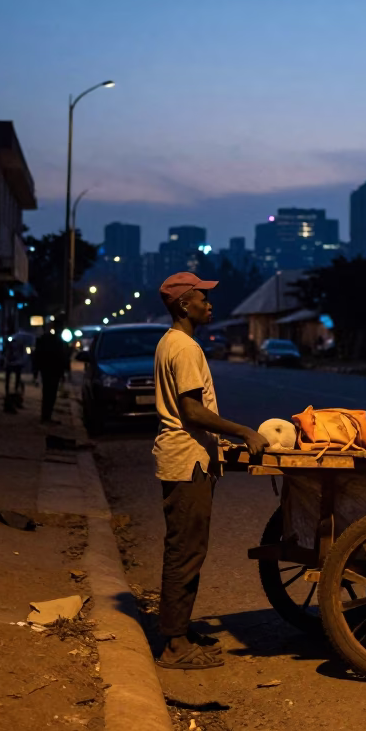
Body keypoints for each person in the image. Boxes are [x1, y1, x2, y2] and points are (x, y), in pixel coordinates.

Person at [153, 271, 267, 670]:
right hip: (186, 460)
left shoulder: (174, 342)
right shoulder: (184, 348)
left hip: (188, 457)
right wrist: (243, 431)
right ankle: (173, 645)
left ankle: (179, 630)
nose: (210, 304)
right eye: (204, 297)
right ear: (185, 304)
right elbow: (192, 411)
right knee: (185, 551)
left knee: (187, 549)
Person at [33, 324, 70, 424]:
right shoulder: (58, 342)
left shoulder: (45, 340)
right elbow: (63, 358)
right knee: (51, 394)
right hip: (53, 371)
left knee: (47, 393)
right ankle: (46, 416)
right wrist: (64, 373)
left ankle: (45, 416)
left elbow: (37, 356)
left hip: (47, 370)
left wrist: (36, 372)